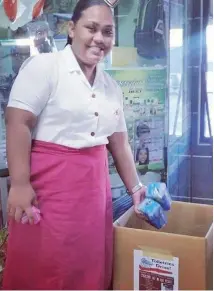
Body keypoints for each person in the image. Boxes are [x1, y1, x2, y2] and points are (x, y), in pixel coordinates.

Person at [3, 0, 146, 289]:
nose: (99, 38)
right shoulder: (45, 67)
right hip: (49, 189)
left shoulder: (110, 86)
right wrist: (19, 184)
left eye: (107, 31)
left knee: (88, 265)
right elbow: (18, 122)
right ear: (71, 29)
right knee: (47, 266)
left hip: (94, 194)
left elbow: (119, 144)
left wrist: (136, 188)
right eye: (90, 28)